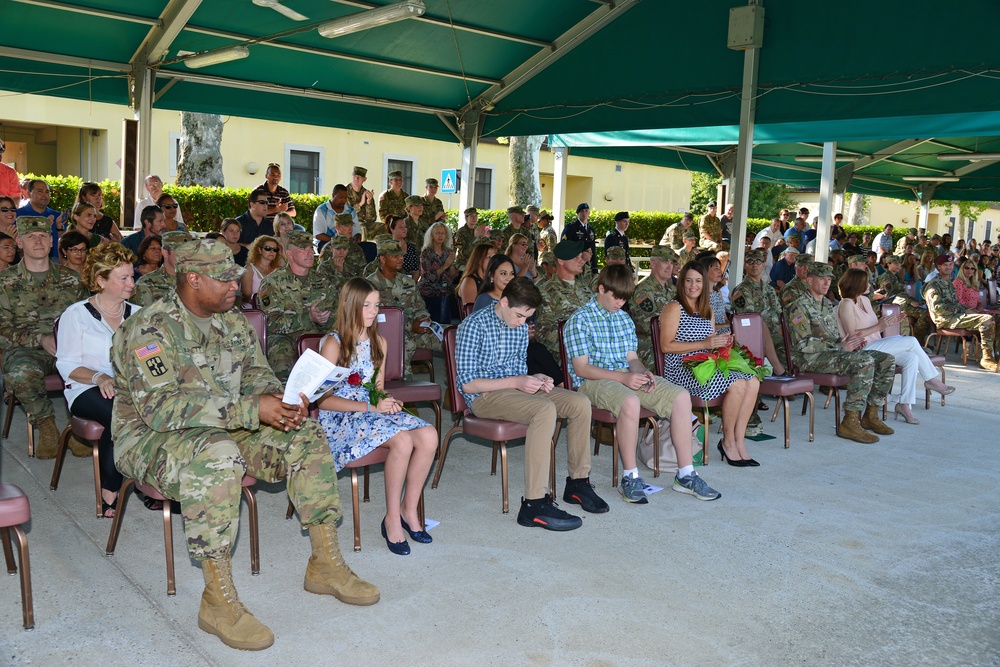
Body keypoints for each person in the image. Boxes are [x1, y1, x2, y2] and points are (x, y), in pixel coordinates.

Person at [111, 238, 378, 650]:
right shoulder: (148, 330)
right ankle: (217, 601)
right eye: (225, 279)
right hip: (153, 438)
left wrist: (283, 401)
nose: (236, 285)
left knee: (305, 434)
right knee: (217, 457)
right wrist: (252, 409)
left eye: (237, 276)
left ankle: (325, 564)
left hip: (228, 426)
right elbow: (162, 410)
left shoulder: (232, 321)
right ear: (193, 279)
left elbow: (255, 375)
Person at [457, 277, 604, 531]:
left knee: (579, 402)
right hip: (484, 397)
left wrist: (535, 378)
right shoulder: (473, 326)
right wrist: (517, 381)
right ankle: (533, 504)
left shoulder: (519, 326)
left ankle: (578, 483)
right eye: (519, 316)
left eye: (527, 318)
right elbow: (468, 384)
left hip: (514, 390)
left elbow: (518, 370)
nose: (522, 323)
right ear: (503, 302)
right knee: (544, 409)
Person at [568, 264, 722, 499]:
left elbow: (632, 359)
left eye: (624, 299)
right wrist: (625, 378)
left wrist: (645, 373)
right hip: (594, 380)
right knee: (630, 401)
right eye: (616, 297)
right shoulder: (580, 319)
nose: (620, 303)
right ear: (601, 288)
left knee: (680, 396)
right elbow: (582, 369)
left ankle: (685, 474)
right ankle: (630, 476)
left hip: (624, 376)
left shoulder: (623, 319)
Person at [317, 278, 438, 555]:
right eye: (367, 305)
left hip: (370, 412)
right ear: (348, 306)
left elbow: (377, 390)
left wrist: (387, 401)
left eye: (376, 305)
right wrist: (373, 408)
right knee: (403, 441)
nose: (373, 311)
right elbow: (323, 400)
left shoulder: (378, 342)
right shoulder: (334, 344)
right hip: (341, 418)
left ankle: (409, 510)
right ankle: (392, 518)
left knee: (429, 434)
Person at [56, 242, 139, 517]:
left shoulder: (139, 315)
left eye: (132, 275)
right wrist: (99, 376)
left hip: (129, 388)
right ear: (101, 280)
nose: (131, 283)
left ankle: (148, 481)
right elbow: (66, 363)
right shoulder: (77, 314)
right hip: (85, 387)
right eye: (123, 278)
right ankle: (111, 489)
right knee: (120, 414)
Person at [0, 216, 89, 457]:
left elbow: (88, 319)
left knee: (101, 365)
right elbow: (2, 331)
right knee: (21, 371)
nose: (37, 241)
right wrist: (40, 339)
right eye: (30, 237)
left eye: (42, 236)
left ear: (51, 241)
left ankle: (78, 429)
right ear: (19, 242)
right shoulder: (5, 283)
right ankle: (47, 425)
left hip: (69, 349)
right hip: (26, 352)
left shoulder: (72, 280)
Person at [660, 262, 759, 466]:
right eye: (688, 280)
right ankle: (728, 442)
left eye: (698, 281)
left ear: (704, 284)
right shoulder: (674, 307)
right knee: (738, 383)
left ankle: (739, 441)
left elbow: (710, 344)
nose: (693, 285)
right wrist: (705, 343)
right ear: (682, 283)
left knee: (754, 381)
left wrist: (722, 344)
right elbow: (666, 346)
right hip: (681, 368)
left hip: (705, 364)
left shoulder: (707, 310)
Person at [784, 262, 896, 443]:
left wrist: (850, 343)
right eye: (822, 279)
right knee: (864, 362)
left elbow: (835, 337)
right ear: (810, 280)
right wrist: (839, 347)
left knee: (886, 359)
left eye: (829, 280)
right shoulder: (799, 306)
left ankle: (870, 414)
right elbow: (802, 344)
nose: (826, 283)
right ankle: (850, 422)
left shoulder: (828, 305)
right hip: (809, 358)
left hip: (831, 354)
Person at [835, 268, 954, 425]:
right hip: (860, 349)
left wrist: (888, 322)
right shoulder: (846, 304)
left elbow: (875, 326)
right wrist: (880, 325)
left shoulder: (864, 300)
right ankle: (931, 379)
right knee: (911, 341)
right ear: (857, 284)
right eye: (866, 282)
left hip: (876, 345)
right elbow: (853, 334)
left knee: (911, 358)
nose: (870, 284)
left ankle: (904, 404)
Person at [258, 230, 335, 380]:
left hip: (318, 335)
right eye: (302, 249)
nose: (309, 253)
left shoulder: (323, 281)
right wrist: (309, 318)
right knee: (281, 354)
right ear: (289, 254)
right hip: (285, 338)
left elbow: (337, 314)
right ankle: (284, 398)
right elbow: (271, 322)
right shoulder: (273, 282)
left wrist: (325, 321)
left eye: (310, 249)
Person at [367, 237, 442, 378]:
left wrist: (422, 319)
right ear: (383, 259)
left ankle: (452, 394)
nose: (400, 258)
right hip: (386, 335)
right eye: (395, 256)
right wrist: (410, 326)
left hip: (414, 331)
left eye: (401, 255)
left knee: (451, 338)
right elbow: (377, 319)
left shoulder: (407, 281)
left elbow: (420, 307)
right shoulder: (370, 285)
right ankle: (404, 393)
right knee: (404, 346)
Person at [923, 254, 998, 370]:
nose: (948, 267)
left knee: (994, 317)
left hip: (956, 316)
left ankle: (994, 354)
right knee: (986, 319)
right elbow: (938, 308)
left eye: (950, 265)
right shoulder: (933, 285)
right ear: (939, 267)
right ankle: (987, 359)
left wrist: (967, 310)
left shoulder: (948, 283)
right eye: (945, 265)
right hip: (945, 319)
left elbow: (956, 303)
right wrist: (962, 310)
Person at [730, 249, 787, 376]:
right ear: (745, 266)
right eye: (750, 262)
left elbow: (778, 312)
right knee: (760, 324)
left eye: (758, 261)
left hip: (774, 332)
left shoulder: (769, 289)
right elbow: (749, 320)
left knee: (795, 339)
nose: (754, 265)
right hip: (754, 334)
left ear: (763, 265)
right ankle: (780, 372)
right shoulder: (741, 290)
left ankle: (792, 377)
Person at [535, 239, 594, 361]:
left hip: (594, 353)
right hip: (565, 358)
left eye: (581, 256)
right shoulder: (545, 291)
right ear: (561, 261)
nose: (581, 260)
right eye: (575, 257)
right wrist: (580, 343)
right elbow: (544, 332)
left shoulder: (586, 289)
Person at [629, 245, 678, 370]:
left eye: (671, 262)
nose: (669, 266)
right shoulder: (643, 291)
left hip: (671, 341)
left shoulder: (672, 290)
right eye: (665, 261)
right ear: (652, 263)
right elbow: (650, 326)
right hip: (650, 345)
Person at [133, 231, 194, 307]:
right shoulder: (146, 284)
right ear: (165, 252)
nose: (185, 256)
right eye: (180, 251)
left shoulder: (198, 281)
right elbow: (143, 317)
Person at [417, 221, 456, 324]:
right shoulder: (426, 253)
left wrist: (452, 264)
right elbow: (429, 276)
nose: (440, 235)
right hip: (429, 293)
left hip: (445, 292)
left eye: (443, 233)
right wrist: (445, 265)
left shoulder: (448, 251)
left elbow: (453, 276)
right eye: (437, 233)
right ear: (432, 235)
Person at [17, 179, 64, 258]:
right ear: (29, 193)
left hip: (56, 262)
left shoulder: (58, 216)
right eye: (40, 191)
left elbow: (65, 243)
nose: (44, 195)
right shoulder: (18, 215)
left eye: (47, 192)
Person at [241, 235, 284, 302]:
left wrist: (283, 255)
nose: (272, 252)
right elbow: (246, 297)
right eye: (267, 248)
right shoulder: (249, 270)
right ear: (259, 250)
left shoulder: (279, 270)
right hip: (255, 309)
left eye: (275, 249)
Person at [345, 166, 381, 240]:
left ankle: (386, 250)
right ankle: (362, 250)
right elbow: (346, 213)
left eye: (359, 177)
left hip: (365, 224)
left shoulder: (366, 193)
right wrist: (361, 203)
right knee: (362, 228)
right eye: (354, 176)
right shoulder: (344, 191)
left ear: (364, 179)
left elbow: (371, 219)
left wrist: (368, 203)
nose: (356, 179)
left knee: (385, 227)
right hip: (348, 223)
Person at [457, 240, 495, 309]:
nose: (492, 260)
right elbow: (471, 311)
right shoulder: (469, 281)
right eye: (489, 257)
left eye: (494, 257)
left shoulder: (491, 279)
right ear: (479, 260)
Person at [561, 203, 598, 273]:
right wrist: (581, 254)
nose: (584, 213)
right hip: (575, 264)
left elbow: (593, 249)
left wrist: (594, 267)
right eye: (582, 211)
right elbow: (565, 246)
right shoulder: (571, 228)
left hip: (588, 267)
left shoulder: (591, 229)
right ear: (578, 213)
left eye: (586, 211)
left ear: (589, 213)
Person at [317, 235, 354, 299]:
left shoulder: (350, 267)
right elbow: (326, 291)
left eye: (345, 249)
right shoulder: (323, 268)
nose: (341, 253)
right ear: (331, 249)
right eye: (338, 249)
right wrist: (339, 271)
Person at [700, 255, 730, 334]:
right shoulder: (700, 295)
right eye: (716, 269)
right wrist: (726, 325)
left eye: (720, 268)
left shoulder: (717, 291)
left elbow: (724, 317)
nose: (720, 271)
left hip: (725, 336)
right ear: (705, 271)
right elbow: (702, 326)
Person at [385, 216, 420, 280]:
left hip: (409, 284)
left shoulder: (411, 247)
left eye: (405, 227)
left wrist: (412, 285)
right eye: (400, 227)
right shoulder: (386, 248)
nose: (404, 229)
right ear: (392, 229)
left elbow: (416, 270)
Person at [453, 207, 480, 273]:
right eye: (471, 216)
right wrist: (476, 238)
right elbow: (464, 252)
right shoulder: (460, 233)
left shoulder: (477, 230)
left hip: (476, 262)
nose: (474, 218)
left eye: (475, 216)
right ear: (466, 218)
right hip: (463, 262)